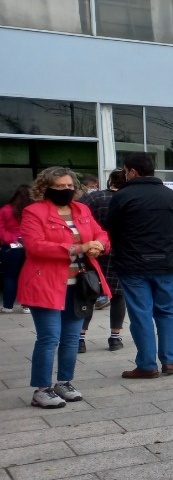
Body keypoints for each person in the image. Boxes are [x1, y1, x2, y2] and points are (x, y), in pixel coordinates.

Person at [17, 167, 110, 408]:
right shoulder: (33, 211)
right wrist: (79, 248)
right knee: (48, 338)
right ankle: (41, 389)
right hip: (45, 284)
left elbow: (100, 233)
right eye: (59, 187)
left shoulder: (82, 209)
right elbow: (35, 246)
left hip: (78, 285)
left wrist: (99, 244)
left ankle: (64, 382)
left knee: (71, 338)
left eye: (69, 186)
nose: (66, 190)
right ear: (45, 188)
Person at [106, 152, 173, 378]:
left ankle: (147, 365)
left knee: (141, 313)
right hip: (165, 263)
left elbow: (111, 229)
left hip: (133, 265)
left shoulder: (122, 196)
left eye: (125, 170)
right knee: (167, 311)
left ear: (133, 171)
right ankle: (170, 361)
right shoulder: (171, 196)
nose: (124, 174)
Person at [79, 169, 128, 351]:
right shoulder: (130, 198)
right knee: (118, 295)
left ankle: (80, 338)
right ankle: (115, 339)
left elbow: (77, 213)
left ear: (110, 182)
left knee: (88, 293)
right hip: (122, 253)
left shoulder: (95, 198)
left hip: (94, 251)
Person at [0, 185, 32, 313]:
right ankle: (27, 305)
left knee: (10, 276)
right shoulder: (31, 210)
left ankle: (8, 306)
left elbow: (1, 229)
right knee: (27, 276)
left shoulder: (5, 210)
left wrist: (11, 240)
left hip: (10, 247)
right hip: (28, 246)